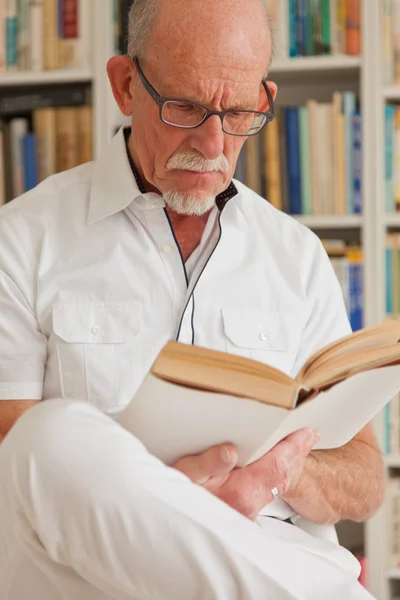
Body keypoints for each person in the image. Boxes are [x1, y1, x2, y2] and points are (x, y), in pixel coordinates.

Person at [0, 0, 383, 598]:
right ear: (126, 85)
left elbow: (364, 479)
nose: (211, 143)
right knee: (45, 439)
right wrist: (166, 500)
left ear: (263, 99)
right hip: (97, 570)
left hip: (268, 546)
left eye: (237, 113)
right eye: (185, 107)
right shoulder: (21, 240)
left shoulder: (298, 254)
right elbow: (19, 464)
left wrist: (275, 473)